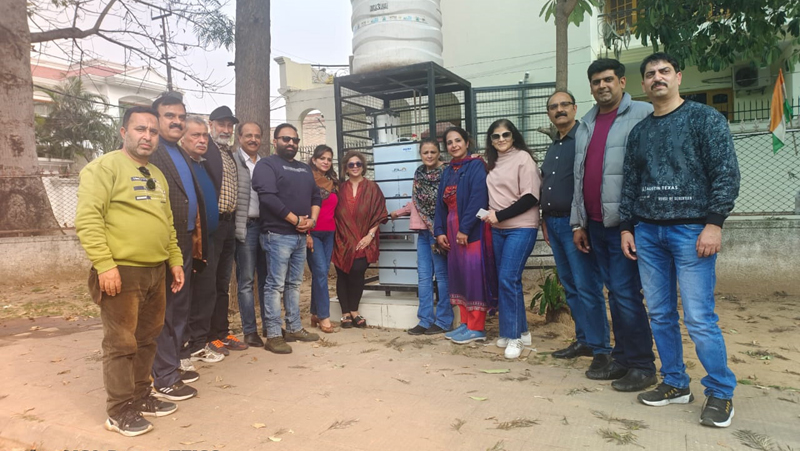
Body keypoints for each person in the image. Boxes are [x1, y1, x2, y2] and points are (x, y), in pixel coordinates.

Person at [621, 52, 740, 428]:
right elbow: (630, 183)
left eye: (664, 71)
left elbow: (725, 173)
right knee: (659, 313)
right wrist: (627, 226)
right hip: (648, 232)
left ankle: (720, 392)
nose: (658, 78)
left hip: (693, 231)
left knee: (699, 317)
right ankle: (675, 383)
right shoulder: (640, 131)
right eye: (651, 74)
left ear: (678, 77)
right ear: (643, 85)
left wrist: (714, 223)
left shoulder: (705, 118)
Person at [75, 106, 184, 437]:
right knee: (121, 343)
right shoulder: (104, 168)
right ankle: (119, 410)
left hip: (155, 270)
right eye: (140, 129)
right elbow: (89, 219)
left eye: (152, 131)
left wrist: (175, 259)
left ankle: (140, 396)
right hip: (121, 272)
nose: (147, 136)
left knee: (147, 339)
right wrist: (105, 265)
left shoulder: (157, 174)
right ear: (124, 132)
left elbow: (167, 223)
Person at [570, 58, 657, 392]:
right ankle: (621, 360)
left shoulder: (642, 115)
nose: (602, 86)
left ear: (622, 82)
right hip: (594, 224)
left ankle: (642, 365)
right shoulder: (587, 123)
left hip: (626, 225)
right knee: (615, 294)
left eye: (608, 80)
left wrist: (635, 221)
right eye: (595, 82)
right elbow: (581, 176)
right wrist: (578, 223)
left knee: (625, 294)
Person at [540, 91, 611, 371]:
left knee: (588, 286)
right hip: (554, 224)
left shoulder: (585, 138)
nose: (559, 110)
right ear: (549, 114)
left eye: (564, 105)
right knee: (571, 286)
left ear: (575, 108)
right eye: (553, 107)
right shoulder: (554, 144)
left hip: (576, 225)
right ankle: (584, 340)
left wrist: (579, 223)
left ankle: (602, 349)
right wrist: (545, 220)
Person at [148, 93, 207, 402]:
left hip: (184, 241)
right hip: (161, 244)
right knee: (165, 311)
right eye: (170, 115)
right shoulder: (151, 152)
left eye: (181, 117)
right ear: (156, 118)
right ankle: (164, 377)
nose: (177, 121)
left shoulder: (179, 152)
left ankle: (172, 363)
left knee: (179, 307)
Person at [252, 123, 321, 354]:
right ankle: (273, 334)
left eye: (295, 140)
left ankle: (293, 328)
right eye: (285, 139)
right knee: (274, 285)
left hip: (300, 237)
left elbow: (316, 196)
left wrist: (311, 221)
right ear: (275, 141)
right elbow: (268, 197)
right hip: (277, 235)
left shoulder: (304, 169)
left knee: (294, 284)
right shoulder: (267, 165)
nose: (291, 143)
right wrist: (295, 220)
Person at [481, 119, 541, 359]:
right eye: (496, 136)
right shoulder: (492, 162)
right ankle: (520, 330)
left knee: (508, 279)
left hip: (521, 227)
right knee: (506, 280)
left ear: (514, 136)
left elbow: (530, 197)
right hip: (498, 229)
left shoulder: (523, 158)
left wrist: (499, 215)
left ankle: (514, 338)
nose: (501, 139)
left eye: (506, 134)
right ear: (491, 140)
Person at [435, 126, 497, 344]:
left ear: (467, 142)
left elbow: (478, 199)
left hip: (470, 231)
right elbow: (440, 205)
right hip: (451, 230)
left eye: (458, 140)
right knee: (458, 276)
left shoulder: (476, 166)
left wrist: (465, 229)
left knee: (473, 276)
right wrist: (440, 232)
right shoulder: (448, 170)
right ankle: (464, 324)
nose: (454, 145)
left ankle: (477, 327)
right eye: (449, 142)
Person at [391, 138, 452, 336]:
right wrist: (397, 213)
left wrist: (439, 230)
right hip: (423, 232)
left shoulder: (446, 171)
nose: (429, 156)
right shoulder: (419, 172)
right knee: (424, 276)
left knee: (442, 276)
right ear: (420, 153)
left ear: (439, 152)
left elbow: (446, 201)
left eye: (433, 152)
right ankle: (425, 319)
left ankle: (444, 320)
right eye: (425, 152)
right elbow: (416, 202)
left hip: (440, 231)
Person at [178, 117, 225, 365]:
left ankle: (199, 343)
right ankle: (181, 347)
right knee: (187, 296)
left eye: (205, 136)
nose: (202, 140)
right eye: (195, 135)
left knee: (206, 294)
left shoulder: (203, 165)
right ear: (183, 138)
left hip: (209, 240)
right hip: (189, 242)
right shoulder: (181, 165)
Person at [203, 106, 248, 353]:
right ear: (211, 125)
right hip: (213, 224)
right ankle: (208, 335)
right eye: (222, 124)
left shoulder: (228, 153)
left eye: (230, 126)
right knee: (209, 283)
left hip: (229, 224)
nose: (226, 129)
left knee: (222, 283)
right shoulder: (206, 150)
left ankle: (222, 331)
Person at [332, 150, 388, 328]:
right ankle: (345, 313)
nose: (355, 167)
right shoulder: (339, 188)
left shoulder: (372, 188)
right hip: (341, 238)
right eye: (351, 164)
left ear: (363, 167)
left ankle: (354, 310)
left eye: (358, 164)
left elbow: (379, 212)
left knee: (357, 271)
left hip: (365, 238)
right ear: (346, 168)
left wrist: (370, 236)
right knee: (342, 273)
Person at [234, 121, 269, 347]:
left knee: (267, 280)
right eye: (248, 135)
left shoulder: (266, 164)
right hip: (244, 227)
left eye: (257, 136)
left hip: (266, 228)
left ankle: (270, 325)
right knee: (246, 281)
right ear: (240, 137)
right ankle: (249, 331)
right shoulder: (233, 162)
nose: (253, 139)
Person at [306, 145, 339, 333]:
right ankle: (324, 317)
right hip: (313, 232)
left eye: (329, 158)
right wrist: (307, 234)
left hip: (330, 233)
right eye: (322, 158)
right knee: (320, 273)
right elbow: (302, 205)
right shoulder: (307, 179)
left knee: (322, 272)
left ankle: (314, 312)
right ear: (314, 160)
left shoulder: (332, 181)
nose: (326, 161)